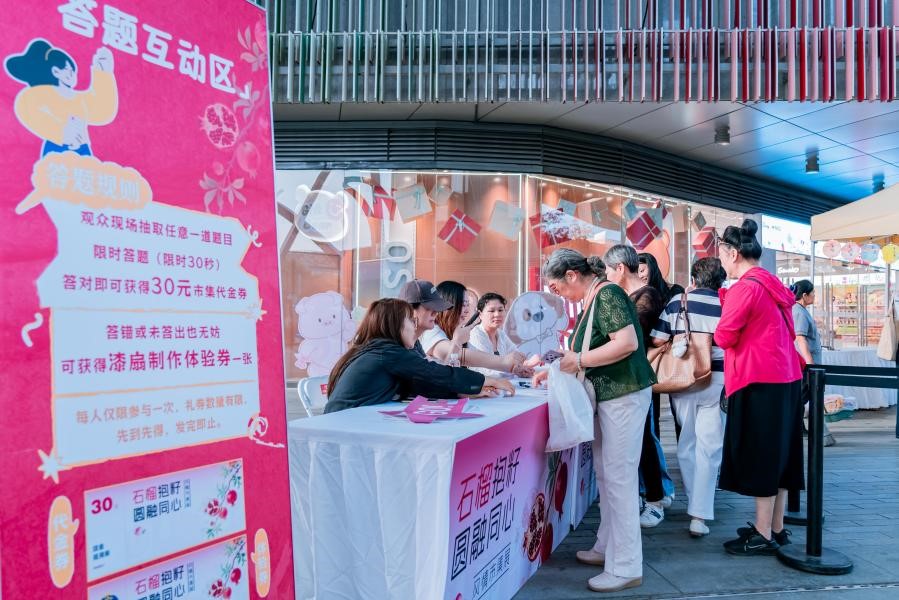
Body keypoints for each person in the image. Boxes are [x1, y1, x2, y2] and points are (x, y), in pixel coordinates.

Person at [535, 248, 655, 593]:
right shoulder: (597, 296)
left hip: (623, 396)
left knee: (618, 479)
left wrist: (577, 360)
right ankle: (607, 546)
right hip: (614, 397)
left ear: (572, 275)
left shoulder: (607, 294)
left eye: (557, 287)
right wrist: (560, 366)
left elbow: (626, 343)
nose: (560, 295)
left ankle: (626, 565)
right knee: (608, 475)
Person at [715, 219, 804, 556]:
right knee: (781, 455)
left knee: (762, 455)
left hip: (758, 378)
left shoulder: (745, 288)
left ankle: (763, 533)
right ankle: (776, 528)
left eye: (722, 255)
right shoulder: (771, 283)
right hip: (786, 377)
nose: (721, 261)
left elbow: (724, 336)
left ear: (733, 254)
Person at [324, 298, 514, 413]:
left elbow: (419, 384)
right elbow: (433, 372)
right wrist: (486, 380)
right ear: (395, 325)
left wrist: (464, 392)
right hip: (344, 431)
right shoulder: (388, 352)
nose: (414, 326)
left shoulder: (381, 351)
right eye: (410, 321)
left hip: (347, 426)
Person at [651, 257, 727, 538]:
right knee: (711, 446)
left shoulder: (677, 302)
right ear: (720, 282)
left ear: (693, 279)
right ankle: (699, 514)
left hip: (684, 377)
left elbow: (658, 339)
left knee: (687, 442)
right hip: (718, 378)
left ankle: (695, 503)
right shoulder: (726, 304)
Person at [604, 245, 672, 528]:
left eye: (609, 270)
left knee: (644, 440)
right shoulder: (629, 296)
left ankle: (656, 500)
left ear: (620, 268)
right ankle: (651, 496)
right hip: (627, 378)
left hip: (636, 378)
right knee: (639, 441)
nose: (607, 276)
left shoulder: (647, 296)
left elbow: (634, 338)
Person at [5, 40, 118, 157]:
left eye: (73, 71)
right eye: (69, 70)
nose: (73, 75)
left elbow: (101, 110)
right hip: (57, 147)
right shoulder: (39, 94)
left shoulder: (78, 98)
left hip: (83, 148)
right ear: (56, 71)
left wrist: (102, 72)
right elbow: (28, 109)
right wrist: (63, 133)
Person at [417, 280, 529, 375]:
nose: (466, 310)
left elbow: (473, 358)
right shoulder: (432, 330)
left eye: (467, 305)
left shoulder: (457, 332)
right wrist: (503, 362)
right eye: (462, 305)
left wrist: (513, 368)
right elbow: (463, 356)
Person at [639, 252, 686, 441]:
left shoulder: (674, 291)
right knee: (652, 410)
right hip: (651, 356)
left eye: (642, 270)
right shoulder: (638, 294)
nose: (640, 275)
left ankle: (683, 447)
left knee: (679, 410)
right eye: (636, 271)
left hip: (675, 355)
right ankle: (656, 453)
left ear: (652, 268)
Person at [790, 280, 835, 446]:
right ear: (804, 295)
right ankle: (797, 428)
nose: (815, 295)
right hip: (806, 365)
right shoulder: (799, 312)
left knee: (803, 397)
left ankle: (799, 427)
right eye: (813, 293)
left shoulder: (801, 310)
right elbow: (800, 338)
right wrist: (810, 363)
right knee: (802, 397)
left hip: (807, 364)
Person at [467, 292, 518, 377]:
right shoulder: (475, 335)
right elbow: (485, 369)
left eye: (500, 310)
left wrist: (524, 365)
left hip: (502, 382)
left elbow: (516, 355)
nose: (497, 314)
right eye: (491, 311)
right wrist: (513, 369)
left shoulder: (501, 334)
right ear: (480, 314)